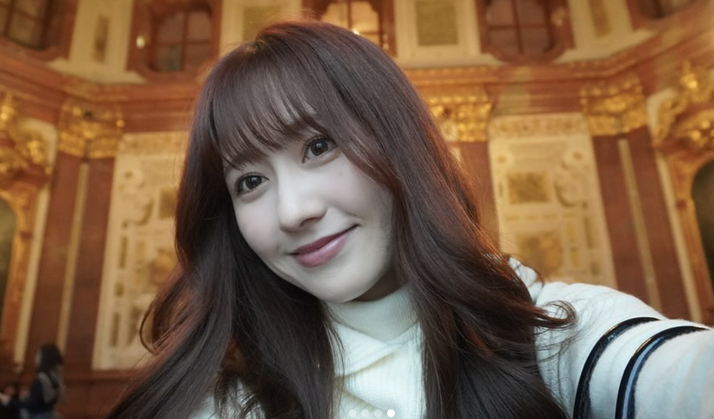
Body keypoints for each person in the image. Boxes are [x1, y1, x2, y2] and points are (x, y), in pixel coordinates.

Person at [107, 20, 714, 419]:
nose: (293, 211)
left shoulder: (554, 336)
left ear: (400, 144)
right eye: (249, 182)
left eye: (319, 146)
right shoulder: (224, 402)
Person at [0, 344, 64, 419]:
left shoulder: (42, 379)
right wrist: (31, 395)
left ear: (45, 357)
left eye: (39, 354)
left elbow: (32, 404)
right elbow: (46, 399)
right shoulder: (53, 377)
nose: (36, 357)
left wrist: (8, 401)